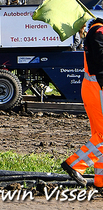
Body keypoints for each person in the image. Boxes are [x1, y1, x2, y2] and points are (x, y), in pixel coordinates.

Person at [61, 17, 103, 191]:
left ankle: (100, 182)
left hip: (93, 87)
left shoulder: (95, 31)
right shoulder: (100, 32)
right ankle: (76, 164)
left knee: (99, 135)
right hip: (97, 87)